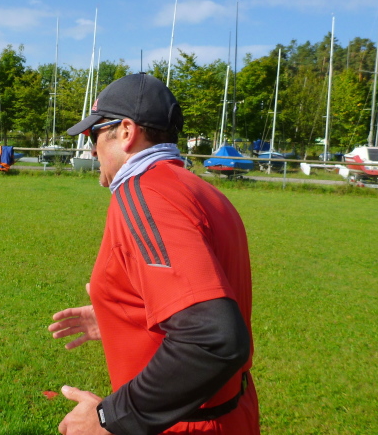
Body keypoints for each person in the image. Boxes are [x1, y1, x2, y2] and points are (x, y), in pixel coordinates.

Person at [48, 73, 259, 435]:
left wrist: (109, 417)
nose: (91, 150)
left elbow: (212, 338)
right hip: (232, 413)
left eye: (93, 134)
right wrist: (124, 318)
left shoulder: (144, 194)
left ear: (126, 132)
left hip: (185, 426)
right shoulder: (202, 191)